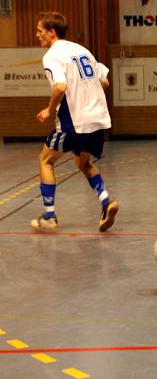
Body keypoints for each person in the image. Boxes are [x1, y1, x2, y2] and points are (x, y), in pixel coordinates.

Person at [32, 12, 118, 232]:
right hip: (98, 119)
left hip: (74, 122)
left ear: (52, 32)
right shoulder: (83, 50)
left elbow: (60, 86)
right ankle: (106, 202)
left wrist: (50, 110)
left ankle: (49, 216)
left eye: (40, 31)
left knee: (45, 160)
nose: (37, 35)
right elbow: (105, 82)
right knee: (83, 163)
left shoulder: (52, 55)